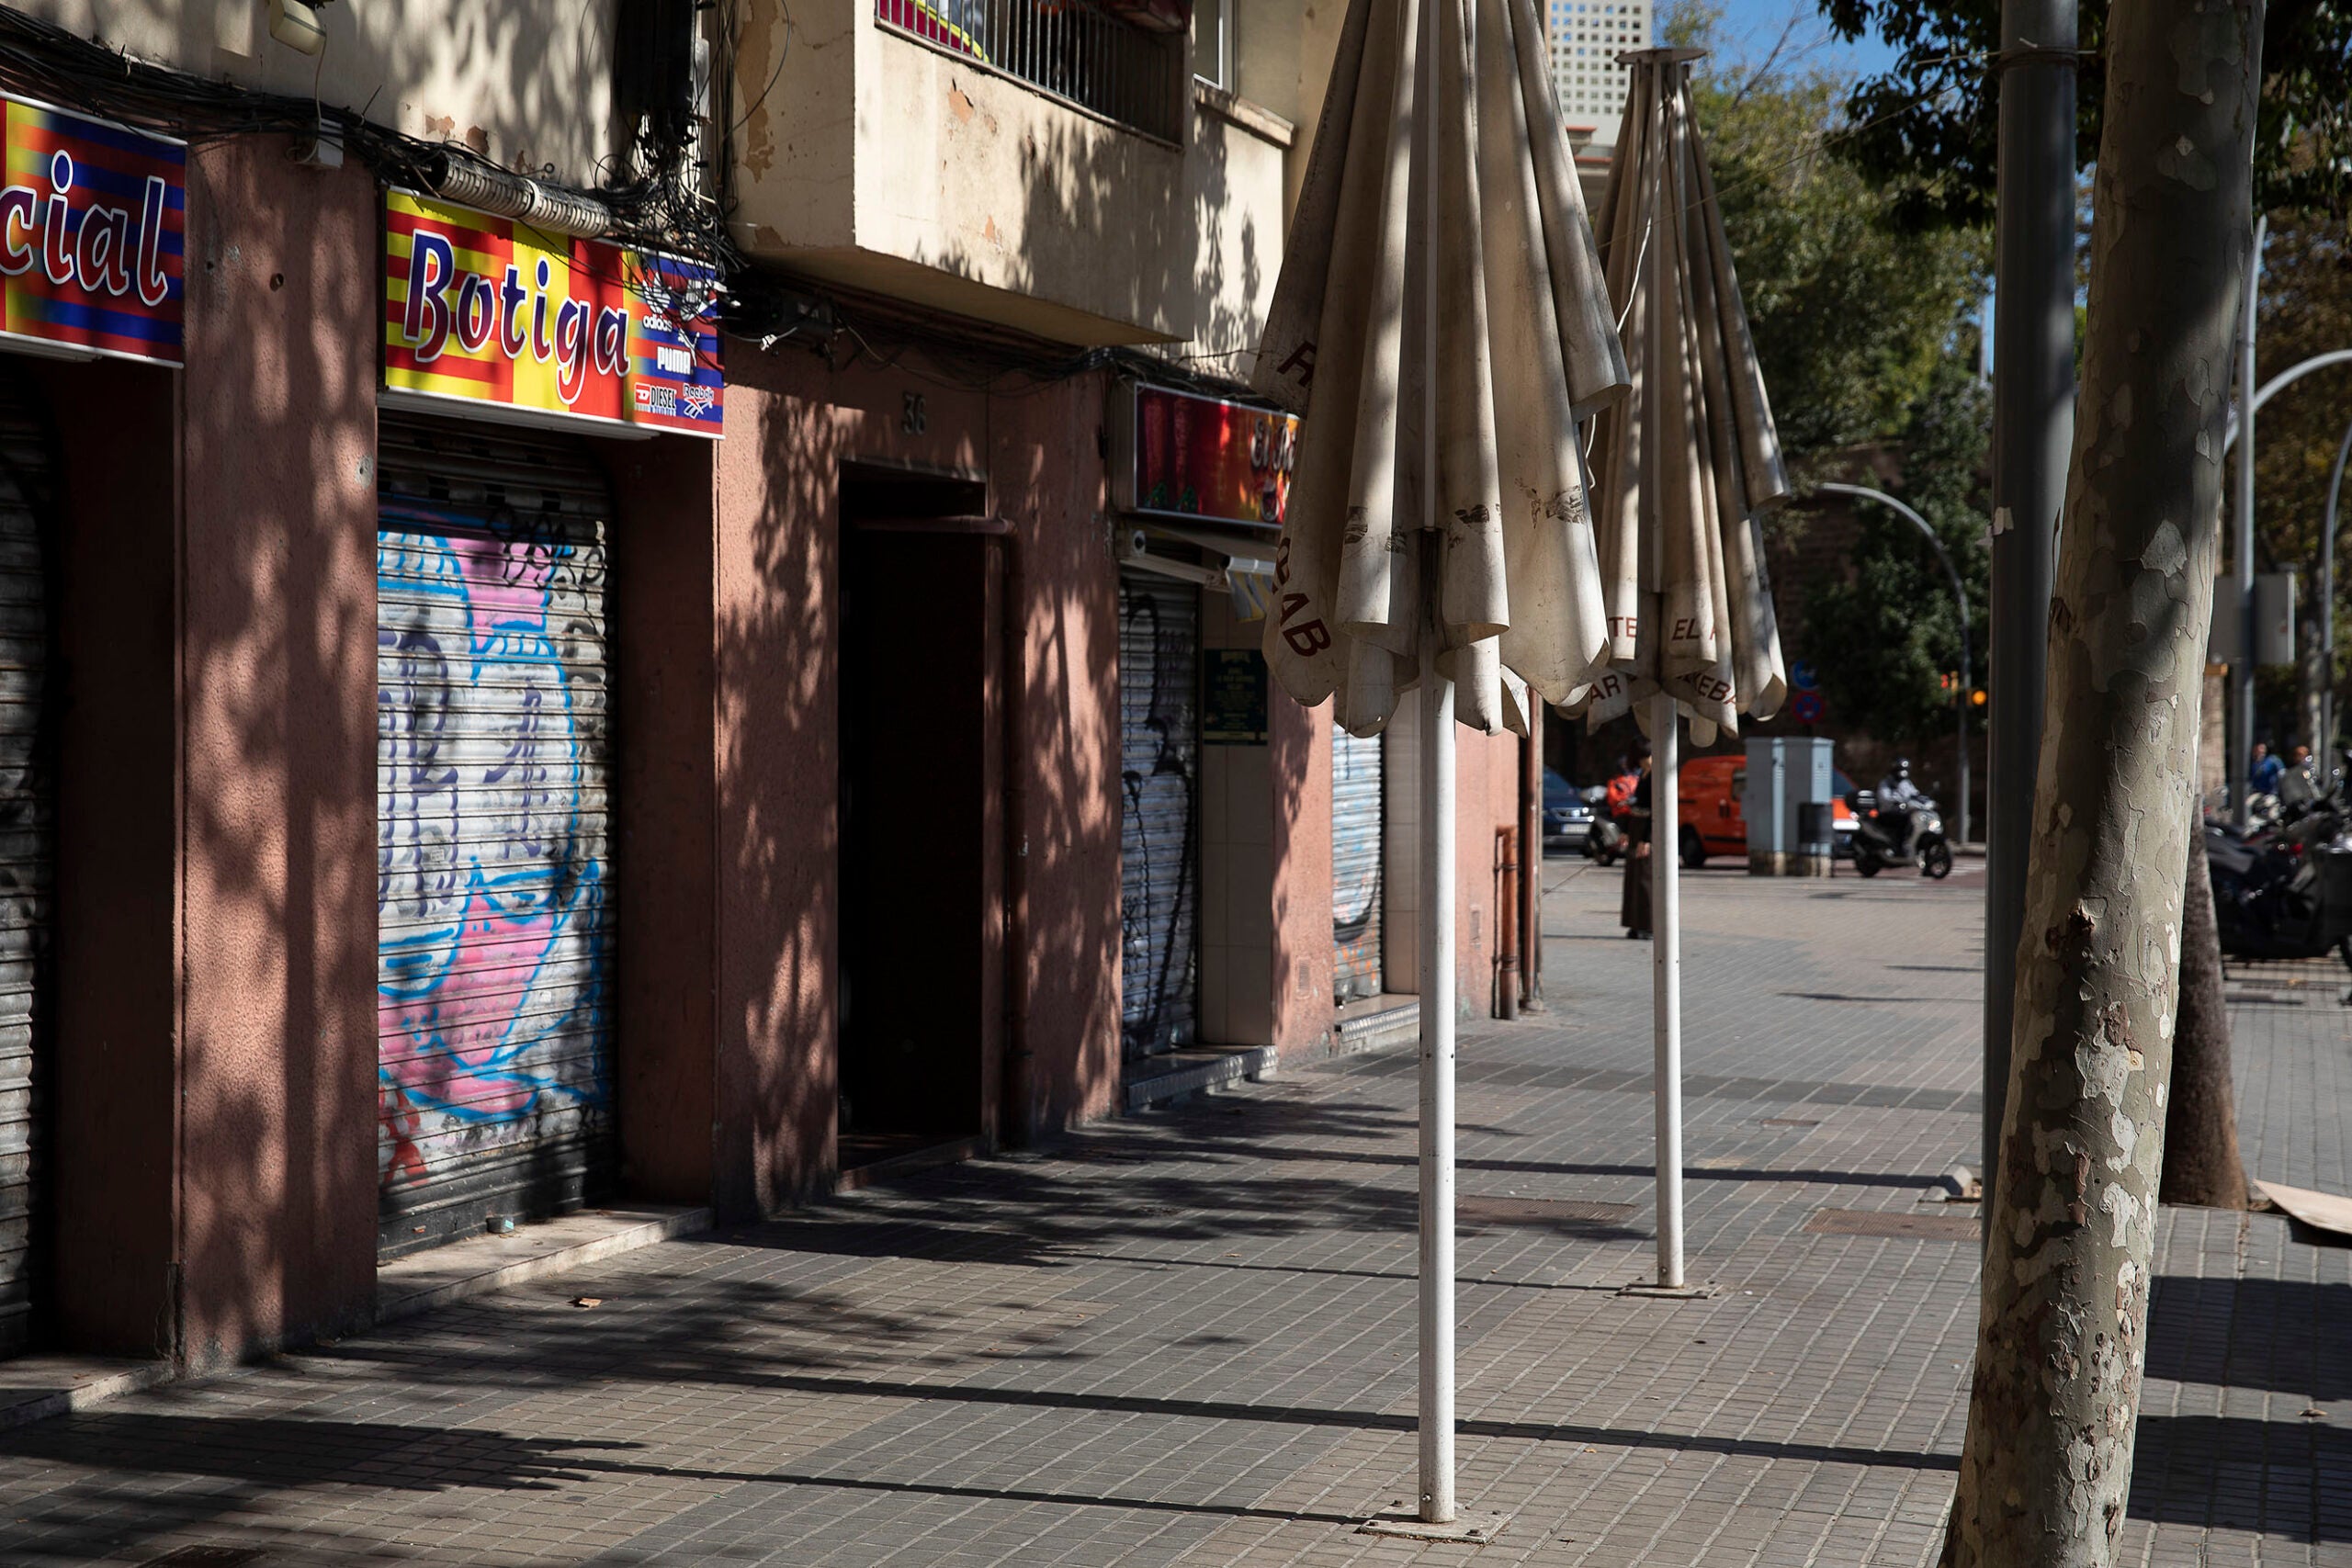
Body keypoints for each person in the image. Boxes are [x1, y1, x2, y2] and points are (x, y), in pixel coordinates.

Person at [1620, 737, 1653, 939]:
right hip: (1635, 828)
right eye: (1641, 759)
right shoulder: (1643, 775)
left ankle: (1649, 925)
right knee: (1634, 878)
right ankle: (1635, 922)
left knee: (1645, 879)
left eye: (1646, 757)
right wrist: (1625, 830)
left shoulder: (1656, 776)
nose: (1645, 762)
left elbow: (1655, 809)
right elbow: (1636, 805)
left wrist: (1646, 840)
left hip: (1647, 831)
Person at [1876, 757, 1927, 861]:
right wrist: (1896, 801)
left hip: (1903, 811)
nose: (1902, 773)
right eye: (1900, 770)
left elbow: (1915, 794)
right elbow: (1884, 798)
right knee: (1905, 821)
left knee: (1914, 819)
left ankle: (1912, 845)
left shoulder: (1906, 783)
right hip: (1888, 813)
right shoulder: (1886, 783)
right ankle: (1898, 847)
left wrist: (1923, 800)